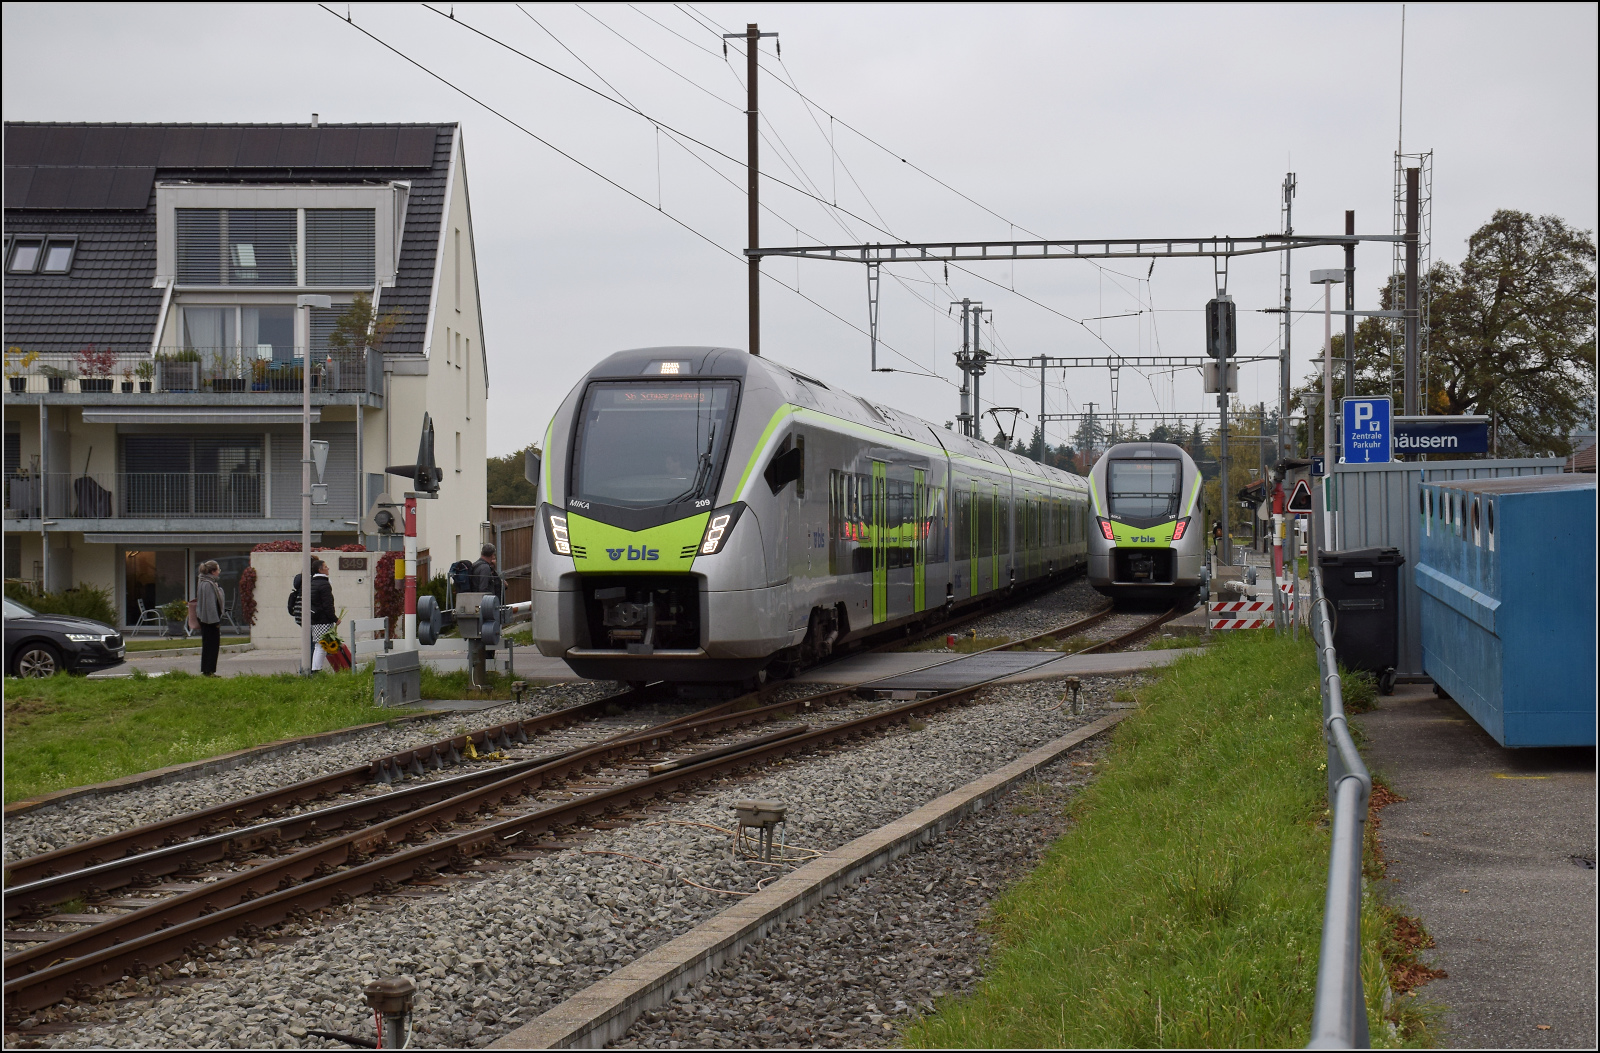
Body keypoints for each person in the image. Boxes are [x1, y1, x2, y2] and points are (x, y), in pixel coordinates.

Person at [291, 558, 339, 672]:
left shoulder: (310, 582)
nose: (328, 569)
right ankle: (314, 669)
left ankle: (311, 669)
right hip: (321, 620)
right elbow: (327, 604)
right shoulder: (323, 584)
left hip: (311, 617)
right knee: (320, 646)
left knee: (317, 645)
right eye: (326, 567)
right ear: (320, 569)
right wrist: (334, 618)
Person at [194, 560, 225, 676]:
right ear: (213, 571)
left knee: (209, 645)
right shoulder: (208, 584)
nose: (219, 572)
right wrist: (215, 621)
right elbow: (210, 604)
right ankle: (208, 670)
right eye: (218, 569)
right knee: (211, 646)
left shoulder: (206, 582)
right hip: (209, 620)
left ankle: (208, 669)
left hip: (207, 619)